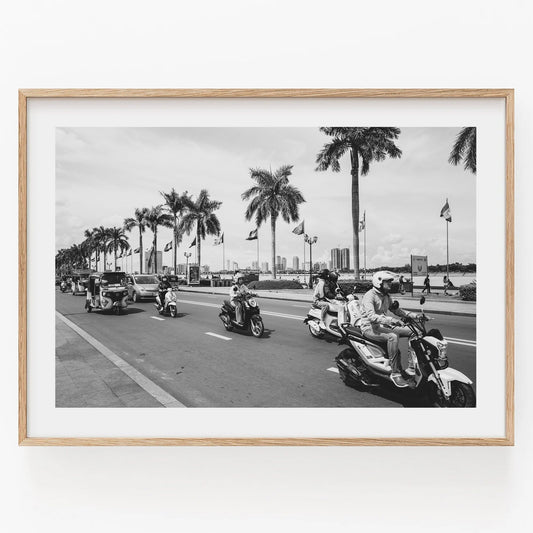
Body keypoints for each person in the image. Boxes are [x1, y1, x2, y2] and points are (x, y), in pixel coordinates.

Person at [361, 271, 422, 388]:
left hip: (381, 327)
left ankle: (411, 367)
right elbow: (371, 316)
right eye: (387, 282)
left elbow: (397, 310)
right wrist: (391, 320)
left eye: (390, 281)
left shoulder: (386, 296)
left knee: (415, 332)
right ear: (379, 282)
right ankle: (395, 373)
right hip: (369, 328)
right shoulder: (370, 296)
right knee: (393, 337)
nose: (390, 284)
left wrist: (415, 315)